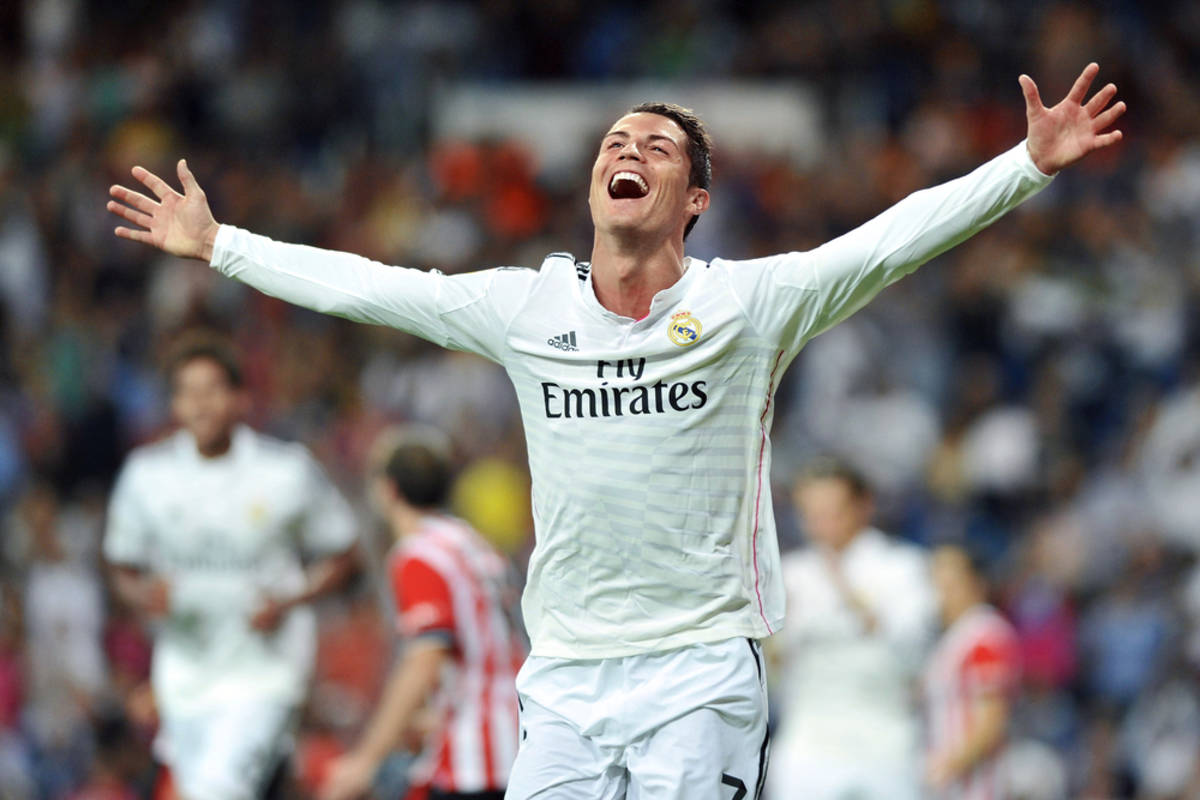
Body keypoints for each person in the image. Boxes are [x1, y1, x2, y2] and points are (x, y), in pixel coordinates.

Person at [106, 65, 1123, 799]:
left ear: (695, 200)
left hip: (700, 666)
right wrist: (222, 244)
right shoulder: (526, 309)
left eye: (657, 147)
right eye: (614, 145)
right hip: (564, 674)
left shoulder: (748, 306)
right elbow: (372, 287)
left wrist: (1026, 165)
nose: (628, 152)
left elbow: (891, 241)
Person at [103, 333, 359, 800]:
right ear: (174, 405)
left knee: (216, 791)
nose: (201, 405)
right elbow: (121, 565)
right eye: (188, 393)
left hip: (266, 672)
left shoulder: (284, 470)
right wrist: (144, 595)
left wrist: (290, 600)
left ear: (241, 398)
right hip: (184, 673)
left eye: (212, 390)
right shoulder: (147, 475)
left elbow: (343, 551)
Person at [320, 427, 525, 800]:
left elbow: (424, 659)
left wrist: (365, 760)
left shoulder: (419, 555)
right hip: (518, 736)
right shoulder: (473, 542)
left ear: (388, 489)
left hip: (473, 758)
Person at [767, 461, 934, 800]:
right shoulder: (789, 574)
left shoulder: (903, 567)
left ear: (864, 505)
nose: (821, 524)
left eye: (833, 511)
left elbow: (914, 653)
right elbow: (773, 667)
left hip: (886, 738)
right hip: (807, 739)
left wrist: (848, 592)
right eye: (811, 514)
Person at [924, 544, 1021, 800]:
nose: (940, 594)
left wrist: (949, 766)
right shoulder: (952, 637)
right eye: (936, 583)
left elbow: (991, 720)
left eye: (950, 585)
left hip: (977, 787)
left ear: (977, 584)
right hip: (950, 785)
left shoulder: (985, 636)